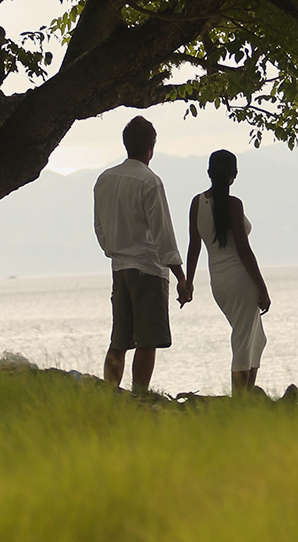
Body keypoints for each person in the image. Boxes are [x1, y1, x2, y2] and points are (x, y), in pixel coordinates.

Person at [93, 116, 189, 396]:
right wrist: (181, 278)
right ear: (151, 147)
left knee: (120, 339)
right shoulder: (150, 181)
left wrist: (112, 249)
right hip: (147, 269)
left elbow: (99, 227)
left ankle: (109, 394)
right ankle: (139, 397)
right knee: (147, 340)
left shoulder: (104, 179)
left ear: (126, 144)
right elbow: (163, 235)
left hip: (119, 267)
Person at [184, 148, 271, 395]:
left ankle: (246, 396)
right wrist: (262, 287)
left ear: (209, 173)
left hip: (219, 284)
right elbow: (243, 250)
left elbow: (194, 246)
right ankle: (239, 403)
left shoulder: (197, 203)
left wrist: (189, 283)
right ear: (234, 175)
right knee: (244, 342)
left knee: (256, 339)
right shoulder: (234, 205)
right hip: (242, 280)